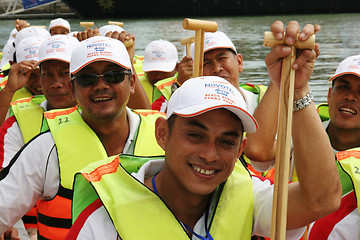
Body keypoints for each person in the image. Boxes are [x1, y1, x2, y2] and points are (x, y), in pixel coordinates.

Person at [66, 72, 341, 239]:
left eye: (226, 142)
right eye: (195, 136)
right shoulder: (104, 216)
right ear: (162, 134)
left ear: (239, 151)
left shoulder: (248, 197)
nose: (210, 155)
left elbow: (321, 200)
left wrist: (299, 92)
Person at [0, 36, 165, 239]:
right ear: (73, 88)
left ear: (131, 82)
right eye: (87, 79)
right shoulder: (46, 148)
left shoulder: (166, 139)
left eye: (113, 76)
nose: (101, 85)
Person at [304, 55, 360, 239]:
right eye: (343, 86)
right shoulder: (298, 135)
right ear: (329, 95)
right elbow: (260, 153)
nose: (351, 96)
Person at [139, 39, 179, 104]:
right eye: (153, 71)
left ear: (176, 68)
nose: (158, 77)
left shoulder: (184, 86)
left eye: (164, 72)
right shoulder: (134, 86)